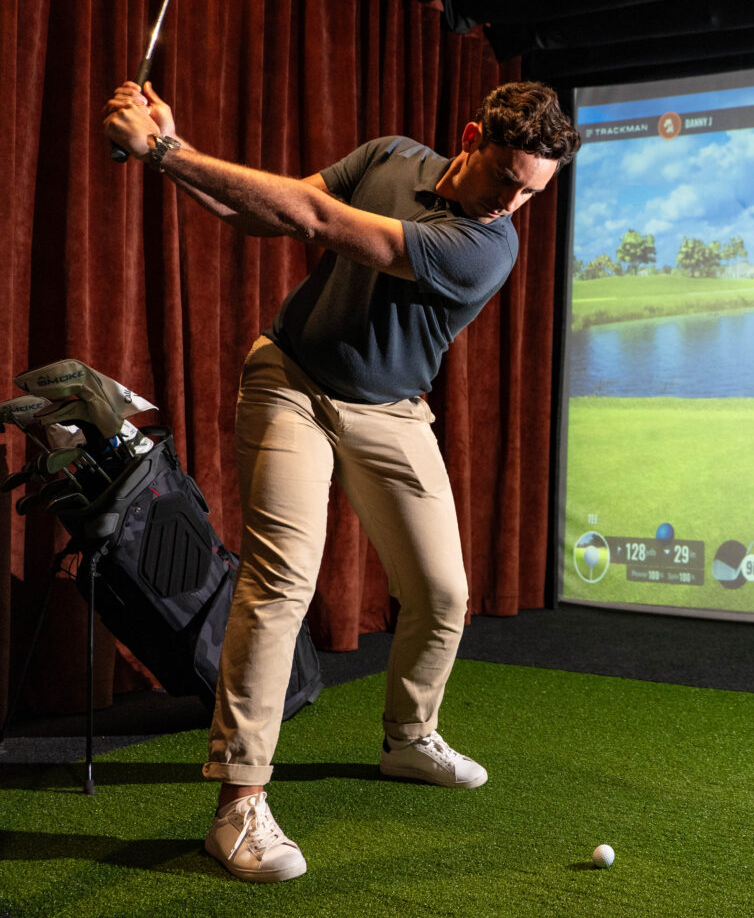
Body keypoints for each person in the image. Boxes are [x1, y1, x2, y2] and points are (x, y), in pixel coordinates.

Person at [101, 78, 581, 883]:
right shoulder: (391, 156)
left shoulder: (488, 247)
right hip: (291, 381)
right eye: (507, 179)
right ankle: (239, 803)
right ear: (472, 138)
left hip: (392, 411)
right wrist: (166, 158)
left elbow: (318, 222)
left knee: (443, 594)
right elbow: (272, 212)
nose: (511, 205)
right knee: (281, 580)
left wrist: (167, 151)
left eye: (531, 194)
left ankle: (409, 737)